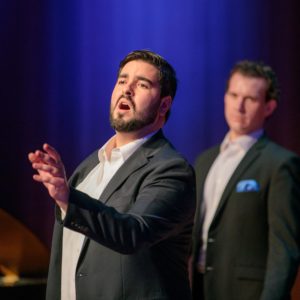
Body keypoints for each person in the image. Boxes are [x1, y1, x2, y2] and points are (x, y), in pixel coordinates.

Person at [28, 49, 196, 300]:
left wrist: (68, 198)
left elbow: (134, 233)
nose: (127, 90)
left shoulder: (171, 169)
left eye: (141, 84)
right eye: (122, 81)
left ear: (164, 104)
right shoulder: (88, 167)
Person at [190, 60, 300, 300]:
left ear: (269, 107)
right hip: (201, 290)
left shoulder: (279, 164)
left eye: (250, 99)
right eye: (233, 94)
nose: (239, 106)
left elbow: (285, 250)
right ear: (225, 97)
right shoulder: (205, 161)